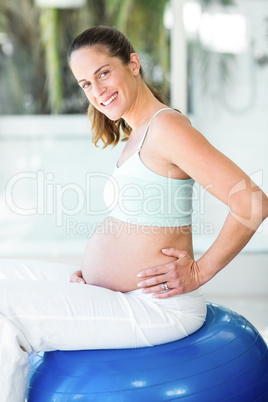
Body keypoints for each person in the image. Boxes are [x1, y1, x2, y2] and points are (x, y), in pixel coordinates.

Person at [0, 25, 267, 402]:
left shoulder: (166, 127)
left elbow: (252, 202)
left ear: (134, 64)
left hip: (156, 307)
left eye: (103, 73)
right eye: (85, 84)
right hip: (121, 293)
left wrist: (200, 270)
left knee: (5, 314)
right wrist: (96, 273)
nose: (97, 90)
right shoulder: (137, 132)